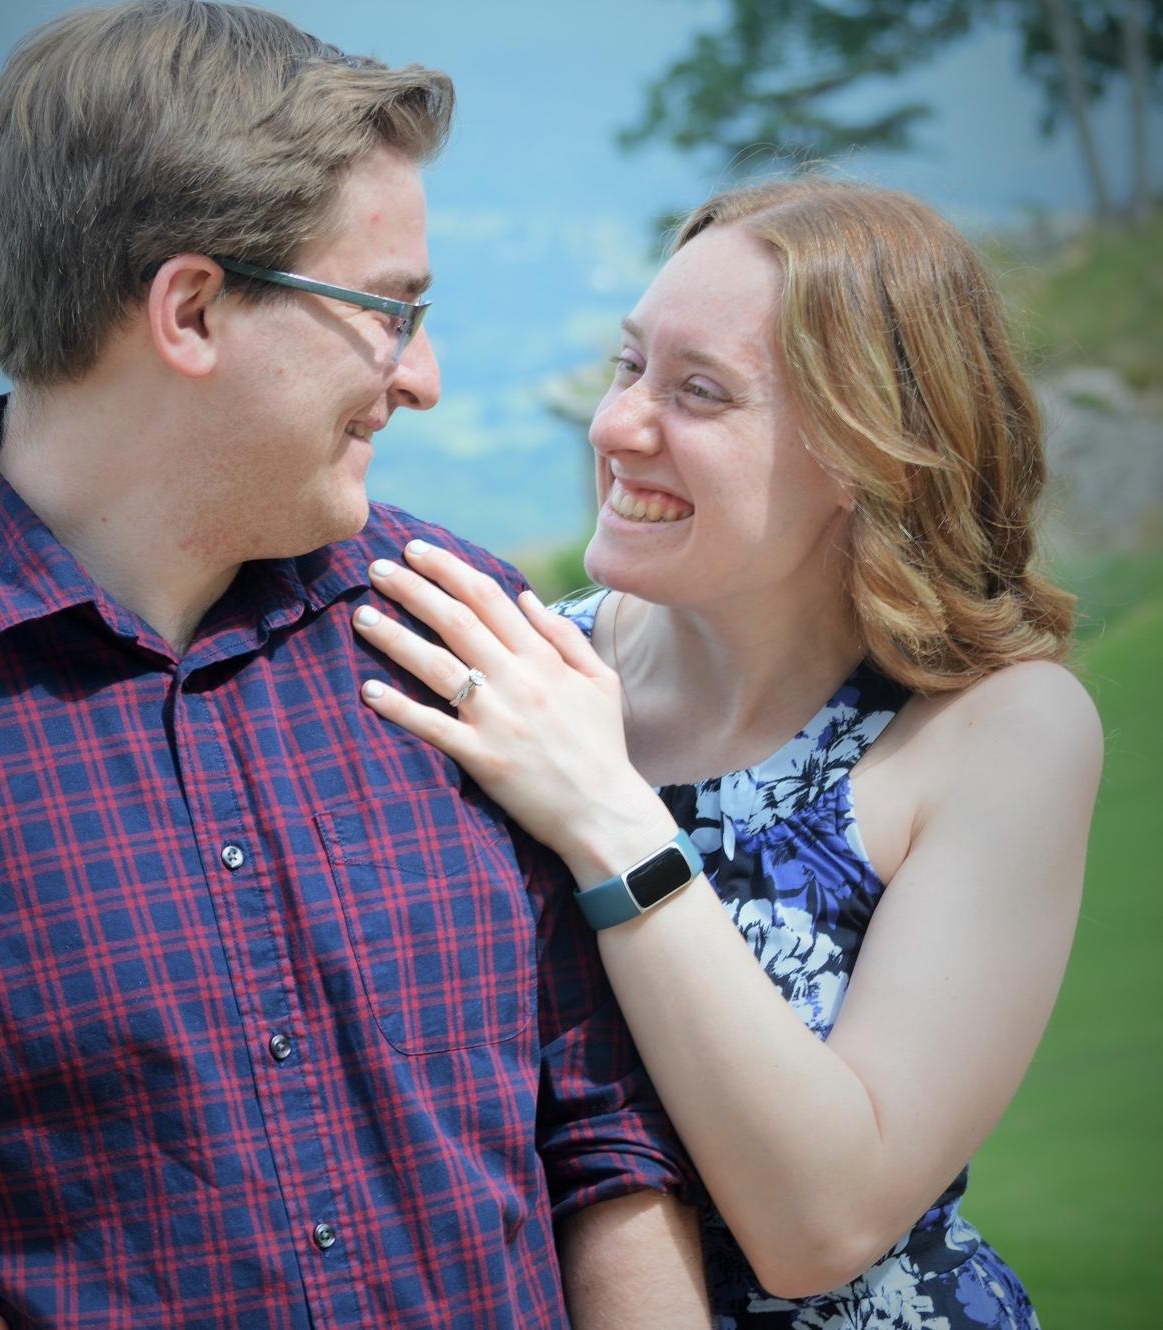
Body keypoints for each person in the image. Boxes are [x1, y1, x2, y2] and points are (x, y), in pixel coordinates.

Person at [0, 4, 707, 1328]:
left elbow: (602, 1139)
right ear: (191, 310)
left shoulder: (459, 624)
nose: (422, 377)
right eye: (391, 311)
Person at [335, 179, 1103, 1327]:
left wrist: (609, 817)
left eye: (699, 392)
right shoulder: (524, 679)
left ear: (872, 455)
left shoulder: (995, 731)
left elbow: (823, 1226)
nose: (616, 427)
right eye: (628, 365)